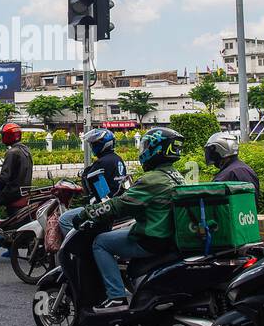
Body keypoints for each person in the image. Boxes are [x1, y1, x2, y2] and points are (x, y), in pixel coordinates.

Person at [73, 127, 185, 310]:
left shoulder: (153, 179)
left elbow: (119, 205)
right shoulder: (175, 175)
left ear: (155, 150)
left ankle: (116, 297)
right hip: (167, 234)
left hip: (152, 237)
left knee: (101, 242)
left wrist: (87, 213)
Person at [59, 128, 129, 237]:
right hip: (117, 202)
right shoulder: (117, 159)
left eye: (94, 144)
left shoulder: (102, 162)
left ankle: (77, 250)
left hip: (104, 207)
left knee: (64, 219)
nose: (92, 147)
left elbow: (101, 193)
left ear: (103, 145)